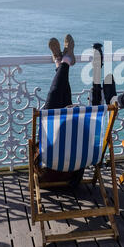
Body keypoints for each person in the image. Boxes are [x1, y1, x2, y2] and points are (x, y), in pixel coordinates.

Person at [34, 34, 84, 187]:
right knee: (63, 104)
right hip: (71, 172)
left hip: (47, 172)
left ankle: (62, 62)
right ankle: (64, 60)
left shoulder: (45, 167)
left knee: (56, 95)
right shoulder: (75, 163)